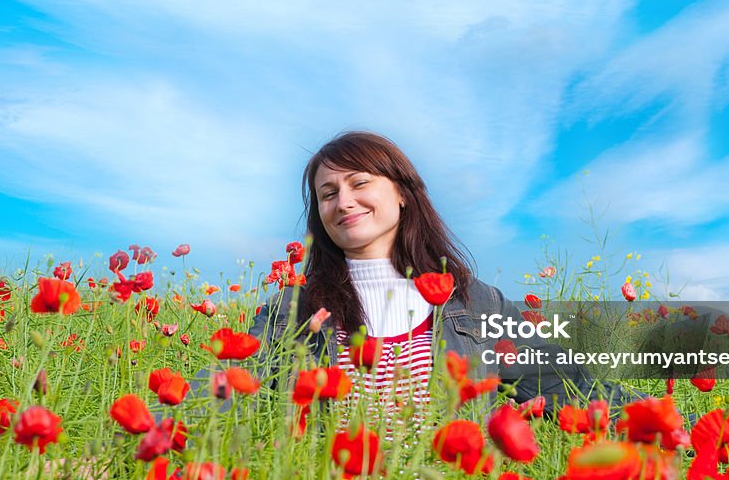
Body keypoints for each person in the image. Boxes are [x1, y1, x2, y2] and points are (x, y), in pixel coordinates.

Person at [246, 131, 640, 424]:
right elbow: (222, 391)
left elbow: (571, 387)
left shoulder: (476, 304)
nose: (344, 201)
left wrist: (685, 430)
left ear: (401, 192)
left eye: (359, 183)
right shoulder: (291, 313)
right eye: (328, 193)